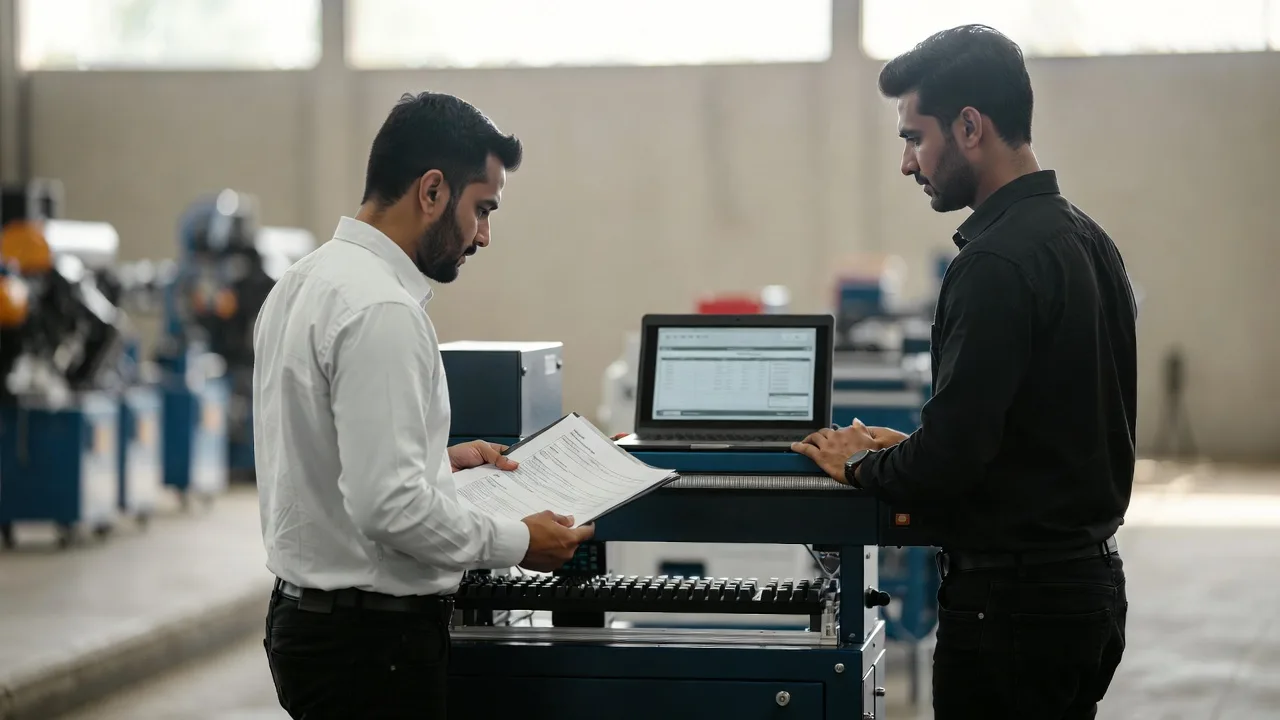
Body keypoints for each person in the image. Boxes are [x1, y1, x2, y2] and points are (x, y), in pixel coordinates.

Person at [791, 25, 1134, 719]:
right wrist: (906, 447)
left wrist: (857, 465)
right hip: (1087, 592)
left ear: (970, 126)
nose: (908, 163)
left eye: (915, 137)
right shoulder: (1088, 240)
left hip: (1012, 615)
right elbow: (1043, 428)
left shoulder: (993, 264)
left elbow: (950, 464)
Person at [253, 91, 595, 719]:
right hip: (372, 648)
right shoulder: (381, 309)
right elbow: (390, 507)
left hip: (312, 625)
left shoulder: (301, 283)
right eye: (482, 209)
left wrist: (436, 460)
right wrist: (519, 541)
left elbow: (321, 457)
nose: (484, 236)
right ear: (432, 191)